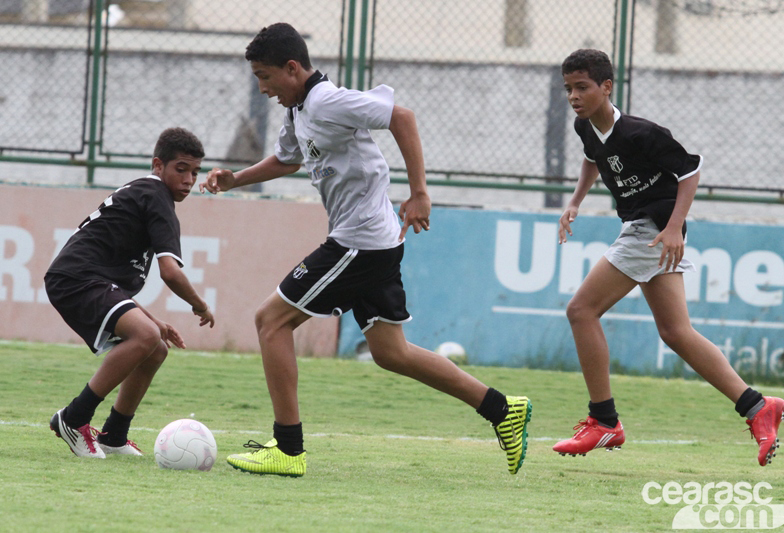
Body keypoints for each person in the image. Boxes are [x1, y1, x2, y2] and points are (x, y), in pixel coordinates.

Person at [200, 22, 531, 477]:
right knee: (391, 353)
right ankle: (501, 409)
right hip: (372, 241)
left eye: (265, 76)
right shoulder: (298, 110)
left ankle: (288, 448)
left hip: (360, 243)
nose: (262, 88)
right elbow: (288, 159)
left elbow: (403, 117)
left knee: (270, 321)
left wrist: (419, 193)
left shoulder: (327, 100)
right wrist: (236, 178)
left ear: (293, 68)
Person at [554, 49, 784, 466]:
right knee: (677, 333)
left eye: (582, 87)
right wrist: (574, 202)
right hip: (648, 231)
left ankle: (604, 420)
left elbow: (690, 171)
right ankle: (756, 406)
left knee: (581, 310)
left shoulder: (641, 133)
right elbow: (593, 159)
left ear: (607, 87)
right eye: (569, 88)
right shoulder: (585, 126)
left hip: (654, 228)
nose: (573, 95)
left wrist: (675, 226)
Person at [46, 127, 216, 459]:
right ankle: (73, 418)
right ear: (158, 165)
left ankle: (114, 434)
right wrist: (200, 306)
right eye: (180, 169)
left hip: (82, 276)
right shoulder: (157, 197)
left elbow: (113, 278)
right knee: (144, 335)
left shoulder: (146, 195)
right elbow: (170, 272)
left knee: (155, 347)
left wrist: (154, 321)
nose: (189, 179)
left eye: (194, 172)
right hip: (78, 277)